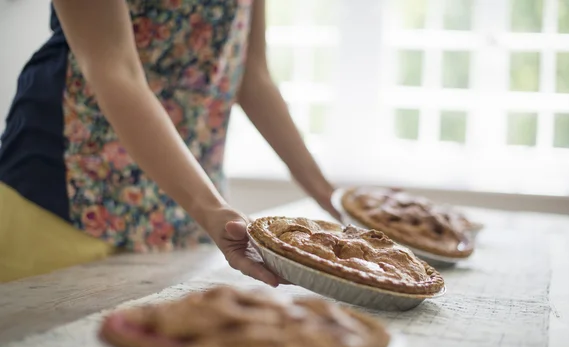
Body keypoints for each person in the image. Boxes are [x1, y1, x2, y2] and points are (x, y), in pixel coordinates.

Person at [0, 0, 339, 284]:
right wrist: (211, 209)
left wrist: (332, 198)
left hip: (186, 205)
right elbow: (115, 70)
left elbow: (252, 76)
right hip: (66, 191)